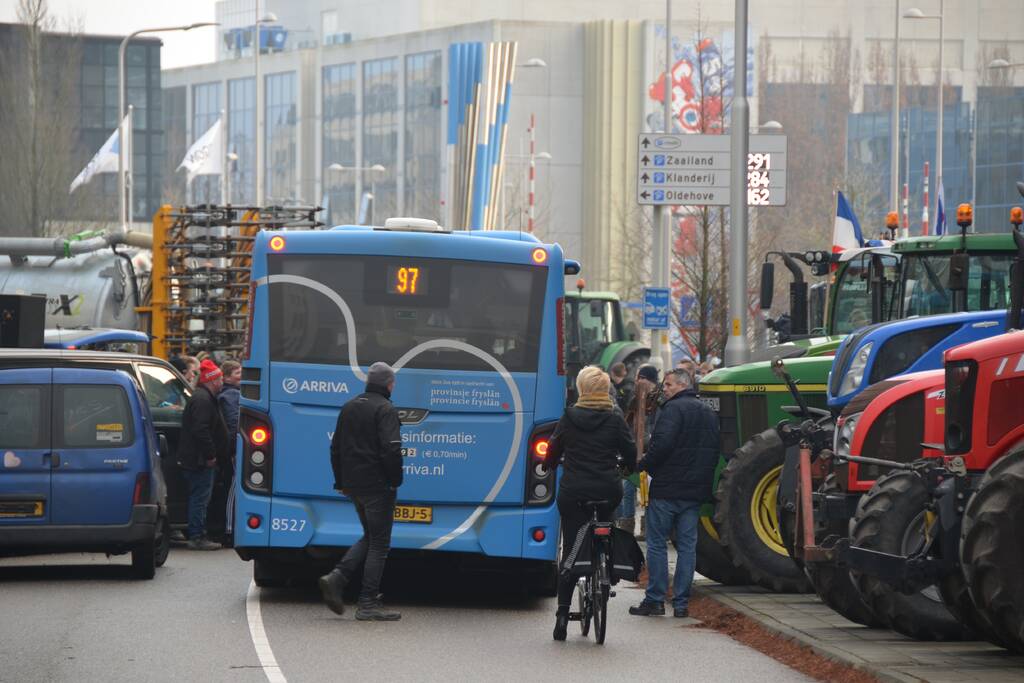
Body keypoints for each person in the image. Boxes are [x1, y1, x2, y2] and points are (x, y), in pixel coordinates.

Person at [545, 366, 636, 641]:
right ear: (605, 389)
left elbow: (552, 451)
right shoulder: (615, 417)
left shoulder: (570, 417)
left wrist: (550, 464)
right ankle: (605, 563)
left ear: (582, 389)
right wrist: (626, 468)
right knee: (605, 524)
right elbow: (630, 451)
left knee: (571, 549)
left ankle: (562, 616)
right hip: (608, 489)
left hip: (574, 492)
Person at [630, 368, 719, 618]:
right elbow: (713, 450)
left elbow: (661, 445)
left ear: (681, 385)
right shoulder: (708, 412)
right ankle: (681, 603)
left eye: (668, 385)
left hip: (667, 488)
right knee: (687, 547)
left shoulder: (672, 410)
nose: (664, 389)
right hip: (693, 492)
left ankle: (655, 599)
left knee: (657, 544)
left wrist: (645, 464)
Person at [319, 362, 404, 621]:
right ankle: (367, 603)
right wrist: (395, 480)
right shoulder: (385, 409)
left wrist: (341, 481)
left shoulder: (349, 406)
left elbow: (336, 448)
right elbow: (391, 449)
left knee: (370, 535)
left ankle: (337, 577)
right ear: (389, 384)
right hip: (378, 485)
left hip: (353, 484)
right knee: (380, 543)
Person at [176, 359, 230, 550]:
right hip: (199, 461)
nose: (222, 382)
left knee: (200, 497)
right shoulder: (203, 400)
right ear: (213, 380)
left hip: (198, 459)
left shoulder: (203, 397)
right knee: (200, 499)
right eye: (220, 379)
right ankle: (197, 535)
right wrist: (210, 455)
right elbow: (201, 430)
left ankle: (199, 532)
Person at [621, 364, 660, 537]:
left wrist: (646, 443)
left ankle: (647, 526)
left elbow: (655, 428)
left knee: (648, 491)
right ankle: (627, 523)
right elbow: (628, 422)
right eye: (637, 378)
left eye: (641, 378)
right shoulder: (634, 398)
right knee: (628, 488)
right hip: (634, 451)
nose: (638, 381)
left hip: (650, 453)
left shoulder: (659, 401)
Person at [211, 359, 242, 544]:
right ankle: (229, 530)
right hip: (233, 449)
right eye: (237, 373)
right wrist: (233, 449)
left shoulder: (230, 394)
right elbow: (232, 424)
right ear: (227, 376)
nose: (241, 376)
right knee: (233, 487)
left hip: (230, 448)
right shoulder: (231, 396)